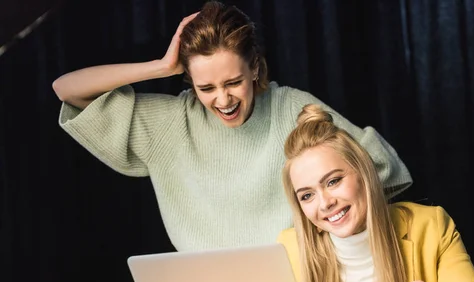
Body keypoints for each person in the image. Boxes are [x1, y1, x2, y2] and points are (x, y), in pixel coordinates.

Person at [51, 1, 412, 252]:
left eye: (233, 83)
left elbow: (379, 167)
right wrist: (160, 66)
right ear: (189, 81)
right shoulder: (170, 124)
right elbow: (66, 89)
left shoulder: (289, 107)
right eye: (206, 88)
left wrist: (324, 240)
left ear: (254, 68)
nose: (223, 100)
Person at [277, 105, 474, 282]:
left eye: (333, 181)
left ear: (364, 174)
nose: (325, 203)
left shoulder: (429, 225)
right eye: (307, 195)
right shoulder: (288, 248)